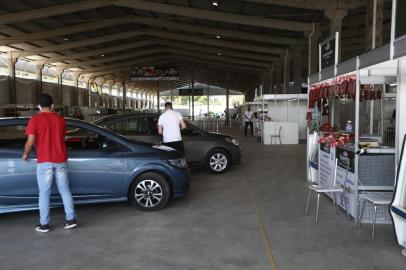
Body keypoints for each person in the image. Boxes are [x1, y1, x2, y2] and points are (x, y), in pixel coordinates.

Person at [23, 94, 77, 233]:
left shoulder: (35, 119)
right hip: (61, 159)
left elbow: (30, 142)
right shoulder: (60, 119)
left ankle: (44, 224)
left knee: (44, 193)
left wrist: (25, 154)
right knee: (65, 190)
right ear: (52, 105)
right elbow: (62, 137)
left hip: (44, 161)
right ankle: (71, 219)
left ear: (38, 106)